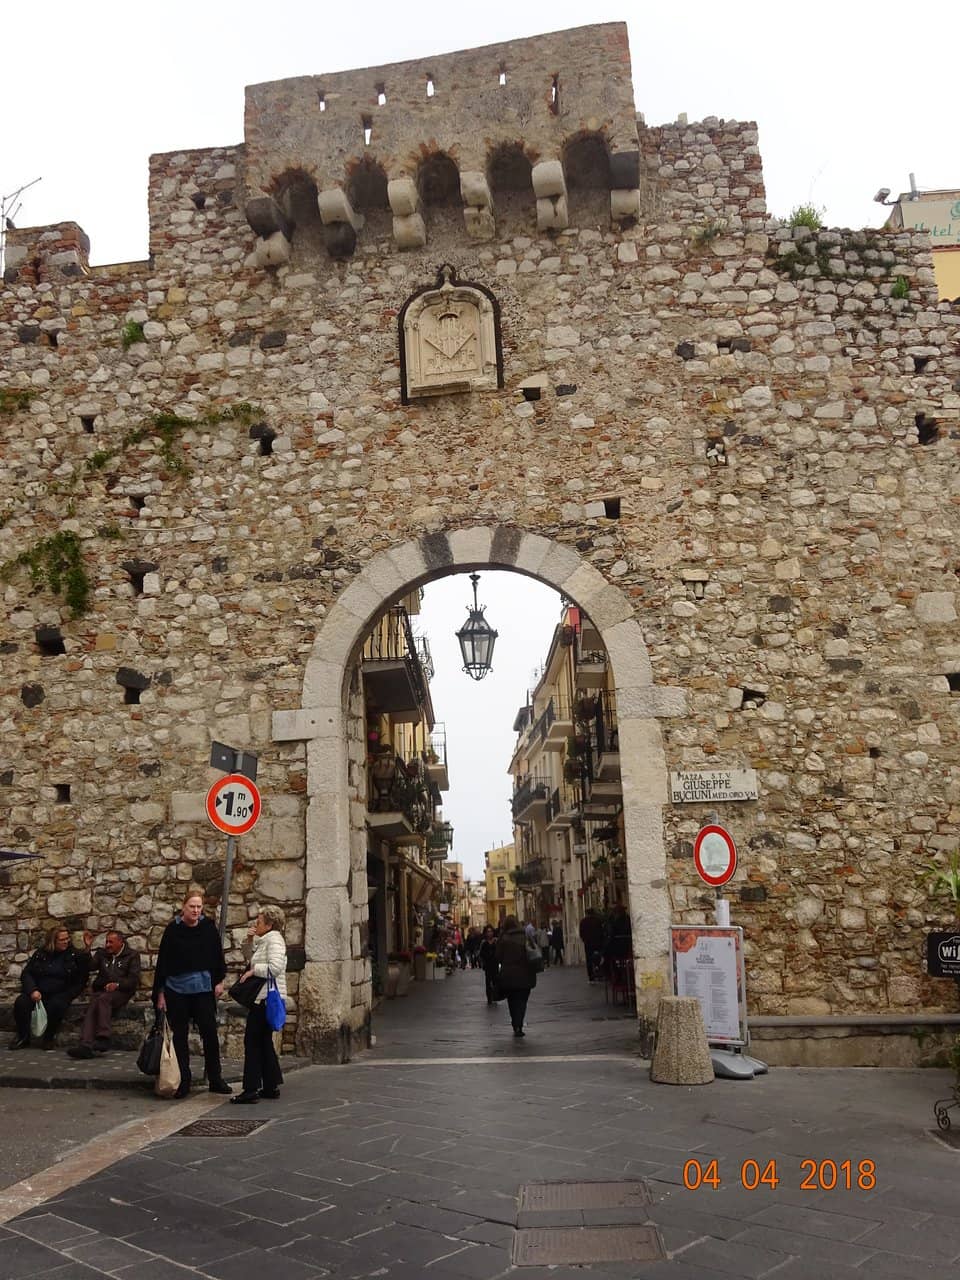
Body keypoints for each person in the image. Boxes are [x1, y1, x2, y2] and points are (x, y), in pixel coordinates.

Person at [152, 886, 231, 1098]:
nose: (196, 911)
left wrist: (219, 980)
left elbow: (216, 956)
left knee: (209, 1033)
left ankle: (215, 1077)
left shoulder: (207, 929)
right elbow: (163, 964)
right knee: (180, 1036)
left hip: (203, 988)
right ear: (183, 907)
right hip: (177, 990)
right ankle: (184, 1080)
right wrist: (161, 994)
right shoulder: (173, 931)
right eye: (192, 907)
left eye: (199, 907)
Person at [231, 906, 287, 1105]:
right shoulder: (266, 941)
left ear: (270, 925)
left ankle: (251, 1089)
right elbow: (250, 957)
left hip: (264, 999)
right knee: (263, 1043)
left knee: (252, 1043)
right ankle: (270, 1085)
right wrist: (249, 940)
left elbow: (275, 967)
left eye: (260, 921)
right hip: (262, 999)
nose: (256, 923)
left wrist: (254, 971)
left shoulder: (274, 941)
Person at [10, 925, 89, 1050]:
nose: (66, 942)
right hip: (39, 991)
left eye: (67, 939)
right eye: (62, 940)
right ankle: (23, 1037)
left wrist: (70, 994)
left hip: (61, 992)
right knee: (21, 1002)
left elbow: (82, 976)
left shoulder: (74, 955)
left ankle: (48, 1038)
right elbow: (27, 973)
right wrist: (32, 990)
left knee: (56, 1005)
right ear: (53, 941)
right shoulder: (41, 954)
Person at [68, 929, 141, 1058]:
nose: (107, 945)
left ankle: (103, 1037)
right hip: (102, 991)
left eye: (111, 942)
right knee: (93, 1004)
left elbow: (133, 980)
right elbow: (90, 966)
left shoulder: (132, 955)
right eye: (106, 942)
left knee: (102, 999)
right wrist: (87, 948)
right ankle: (85, 1046)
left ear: (120, 942)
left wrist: (117, 984)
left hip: (122, 992)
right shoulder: (102, 954)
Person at [495, 915, 537, 1038]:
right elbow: (534, 951)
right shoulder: (526, 936)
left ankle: (515, 1023)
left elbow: (498, 956)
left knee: (512, 1001)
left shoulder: (503, 938)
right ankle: (519, 1023)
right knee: (522, 1001)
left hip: (508, 975)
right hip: (526, 973)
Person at [579, 909, 604, 981]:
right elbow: (601, 931)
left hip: (588, 943)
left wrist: (585, 940)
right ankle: (599, 973)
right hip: (597, 943)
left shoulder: (583, 921)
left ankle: (591, 977)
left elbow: (581, 933)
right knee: (598, 958)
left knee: (589, 960)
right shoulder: (597, 921)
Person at [478, 924, 499, 1004]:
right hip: (487, 965)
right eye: (488, 932)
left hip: (495, 964)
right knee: (488, 981)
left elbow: (499, 952)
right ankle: (489, 997)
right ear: (485, 933)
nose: (489, 933)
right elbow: (481, 953)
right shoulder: (484, 943)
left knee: (495, 981)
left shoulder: (496, 941)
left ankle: (495, 996)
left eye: (491, 931)